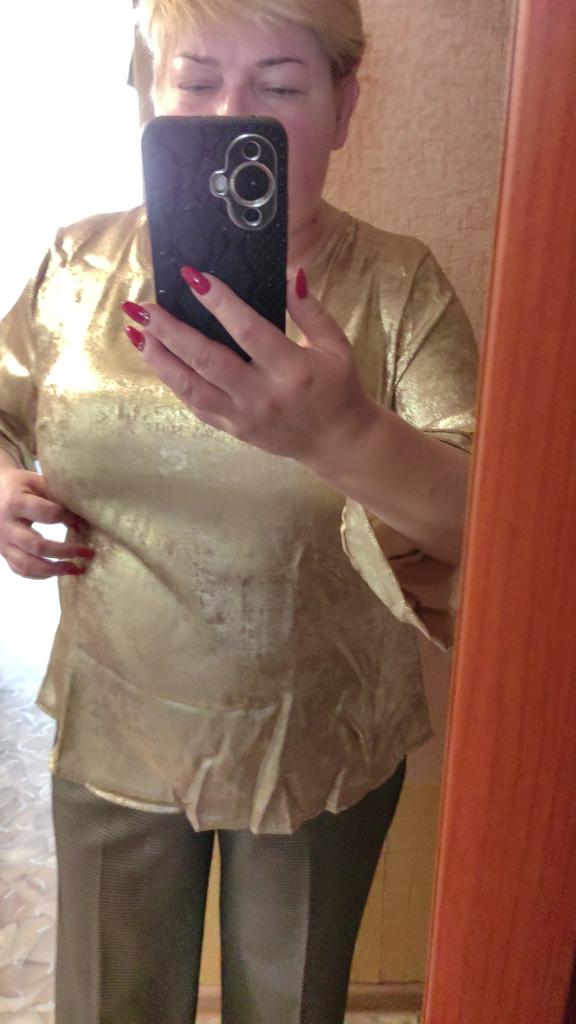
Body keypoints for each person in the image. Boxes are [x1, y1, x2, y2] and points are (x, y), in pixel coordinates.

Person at [0, 0, 478, 1021]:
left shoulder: (399, 288)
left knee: (290, 1003)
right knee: (110, 1002)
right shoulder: (77, 267)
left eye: (280, 85)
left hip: (324, 737)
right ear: (149, 99)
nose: (231, 117)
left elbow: (495, 529)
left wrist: (345, 434)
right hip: (116, 720)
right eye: (196, 79)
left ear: (344, 107)